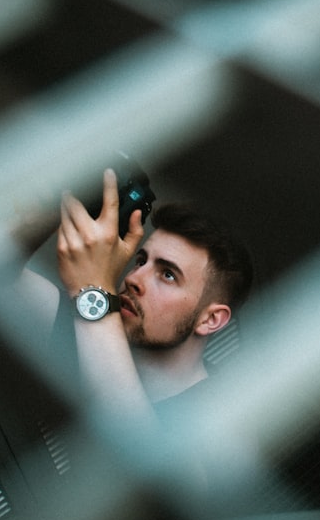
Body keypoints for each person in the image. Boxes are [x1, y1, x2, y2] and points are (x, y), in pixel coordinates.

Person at [13, 168, 254, 425]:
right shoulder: (89, 324)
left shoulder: (223, 415)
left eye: (168, 275)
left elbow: (142, 444)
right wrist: (55, 210)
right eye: (141, 261)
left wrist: (93, 284)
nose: (133, 279)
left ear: (211, 319)